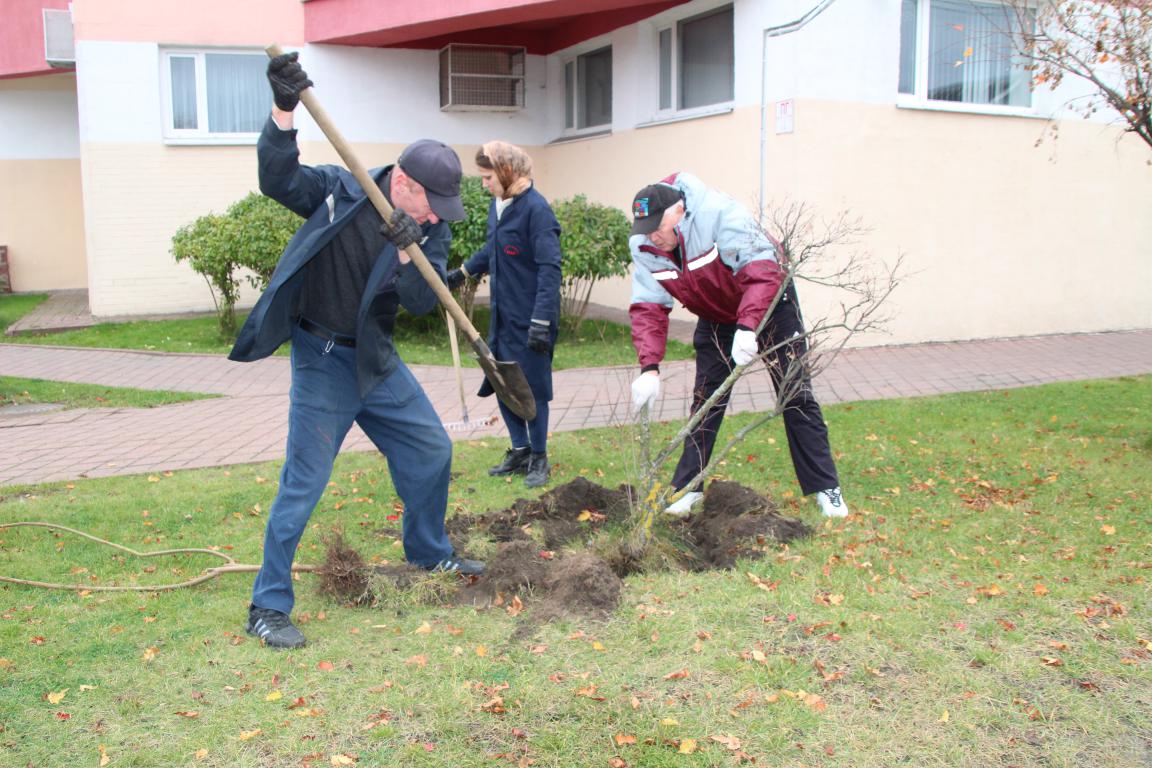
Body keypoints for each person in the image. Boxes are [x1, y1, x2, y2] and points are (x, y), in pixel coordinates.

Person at [228, 52, 484, 650]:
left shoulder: (430, 230)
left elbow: (424, 301)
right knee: (304, 482)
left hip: (375, 359)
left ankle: (429, 553)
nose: (438, 218)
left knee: (431, 449)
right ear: (402, 183)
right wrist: (285, 110)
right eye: (431, 206)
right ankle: (266, 605)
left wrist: (406, 252)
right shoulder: (341, 191)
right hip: (322, 360)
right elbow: (277, 178)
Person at [626, 173, 848, 518]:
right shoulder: (644, 245)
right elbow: (649, 307)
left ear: (680, 213)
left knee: (795, 394)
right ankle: (688, 489)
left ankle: (826, 489)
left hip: (770, 302)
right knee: (706, 400)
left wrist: (748, 327)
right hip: (717, 315)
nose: (653, 237)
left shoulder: (720, 214)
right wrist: (649, 367)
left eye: (659, 228)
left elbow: (762, 269)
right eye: (646, 229)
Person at [446, 142, 561, 489]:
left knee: (532, 387)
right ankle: (520, 449)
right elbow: (491, 250)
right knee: (502, 380)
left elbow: (549, 268)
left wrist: (542, 320)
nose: (483, 184)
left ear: (507, 173)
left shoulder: (537, 211)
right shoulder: (499, 207)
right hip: (502, 314)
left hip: (532, 318)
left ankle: (539, 457)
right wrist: (460, 273)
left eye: (487, 177)